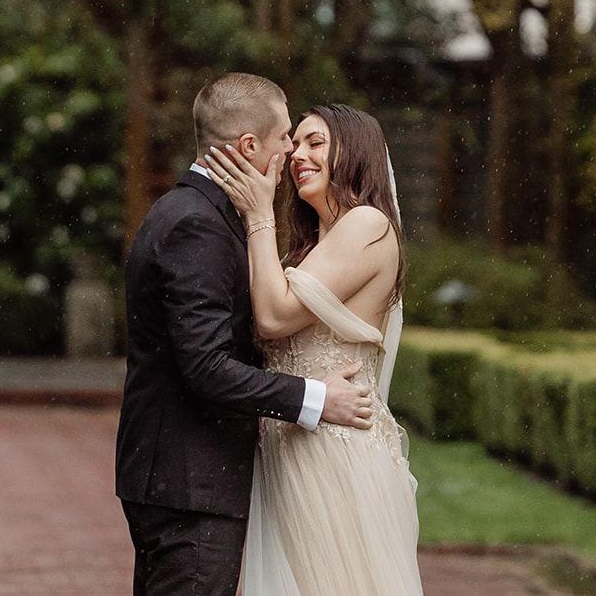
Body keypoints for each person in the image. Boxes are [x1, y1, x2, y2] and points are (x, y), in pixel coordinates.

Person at [115, 73, 375, 596]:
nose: (291, 151)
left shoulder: (195, 212)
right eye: (285, 137)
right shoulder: (197, 223)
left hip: (183, 477)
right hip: (191, 482)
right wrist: (316, 398)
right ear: (250, 146)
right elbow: (207, 367)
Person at [204, 103, 422, 596]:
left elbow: (274, 317)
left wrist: (258, 215)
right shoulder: (307, 249)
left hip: (336, 453)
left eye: (314, 142)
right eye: (295, 142)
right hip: (291, 450)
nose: (297, 154)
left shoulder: (369, 225)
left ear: (354, 152)